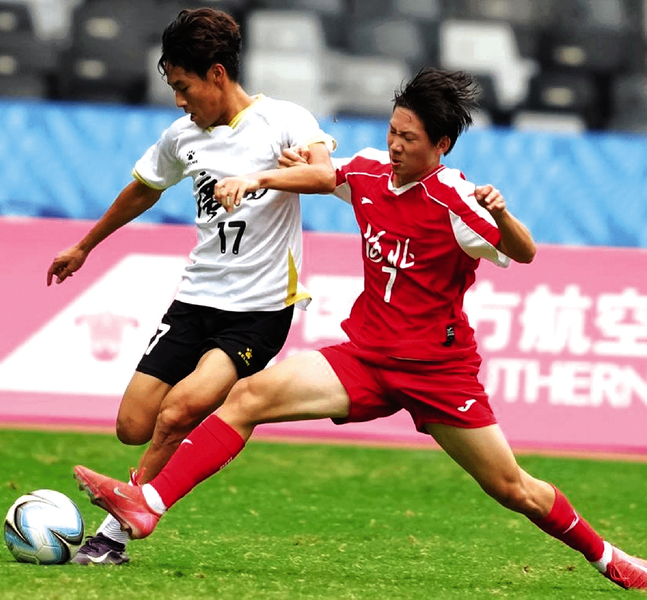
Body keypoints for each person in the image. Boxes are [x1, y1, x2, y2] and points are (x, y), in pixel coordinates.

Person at [73, 68, 647, 590]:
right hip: (366, 359)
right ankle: (148, 504)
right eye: (393, 131)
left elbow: (524, 252)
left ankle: (610, 558)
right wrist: (264, 176)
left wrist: (501, 213)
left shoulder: (457, 201)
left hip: (437, 371)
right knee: (247, 397)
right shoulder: (372, 169)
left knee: (513, 488)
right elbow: (327, 176)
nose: (395, 145)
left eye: (409, 138)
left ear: (441, 146)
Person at [47, 7, 336, 565]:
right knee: (133, 425)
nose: (179, 100)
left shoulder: (284, 120)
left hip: (259, 310)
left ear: (217, 75)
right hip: (195, 299)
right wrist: (85, 245)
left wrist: (260, 176)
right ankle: (216, 409)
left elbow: (325, 175)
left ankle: (112, 538)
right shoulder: (182, 137)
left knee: (178, 412)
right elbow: (143, 188)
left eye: (184, 87)